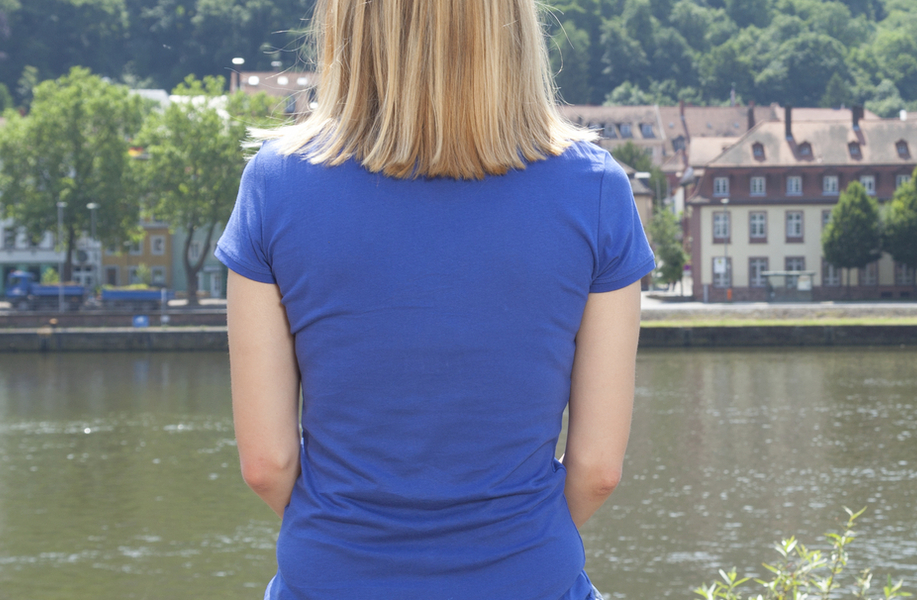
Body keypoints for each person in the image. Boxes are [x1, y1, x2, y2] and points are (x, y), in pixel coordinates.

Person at [215, 0, 653, 597]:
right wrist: (503, 549)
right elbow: (598, 471)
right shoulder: (596, 190)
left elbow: (266, 465)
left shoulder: (276, 183)